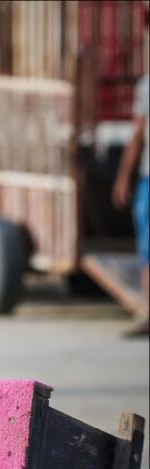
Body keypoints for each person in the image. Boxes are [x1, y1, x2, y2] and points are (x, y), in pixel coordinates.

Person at [113, 67, 148, 337]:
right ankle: (147, 313)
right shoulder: (146, 85)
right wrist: (124, 177)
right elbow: (138, 136)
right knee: (148, 249)